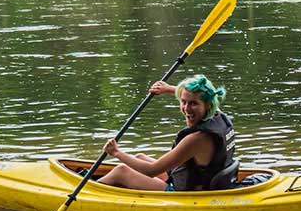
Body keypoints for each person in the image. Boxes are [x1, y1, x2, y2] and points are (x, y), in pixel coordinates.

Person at [98, 74, 236, 191]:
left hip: (182, 193)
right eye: (183, 101)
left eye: (193, 103)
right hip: (196, 179)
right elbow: (202, 96)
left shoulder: (197, 139)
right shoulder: (219, 116)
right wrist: (169, 89)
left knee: (121, 171)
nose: (186, 109)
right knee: (139, 157)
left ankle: (90, 192)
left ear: (208, 105)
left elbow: (151, 170)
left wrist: (116, 152)